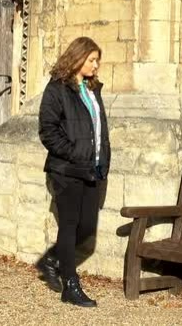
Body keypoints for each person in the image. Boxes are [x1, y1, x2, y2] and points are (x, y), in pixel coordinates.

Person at [35, 36, 111, 308]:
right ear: (77, 58)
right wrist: (75, 152)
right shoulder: (57, 89)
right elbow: (48, 131)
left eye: (97, 60)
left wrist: (103, 159)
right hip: (66, 170)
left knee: (87, 227)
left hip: (92, 169)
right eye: (91, 59)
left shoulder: (92, 89)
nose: (96, 64)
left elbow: (98, 128)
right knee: (69, 225)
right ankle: (71, 285)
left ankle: (51, 261)